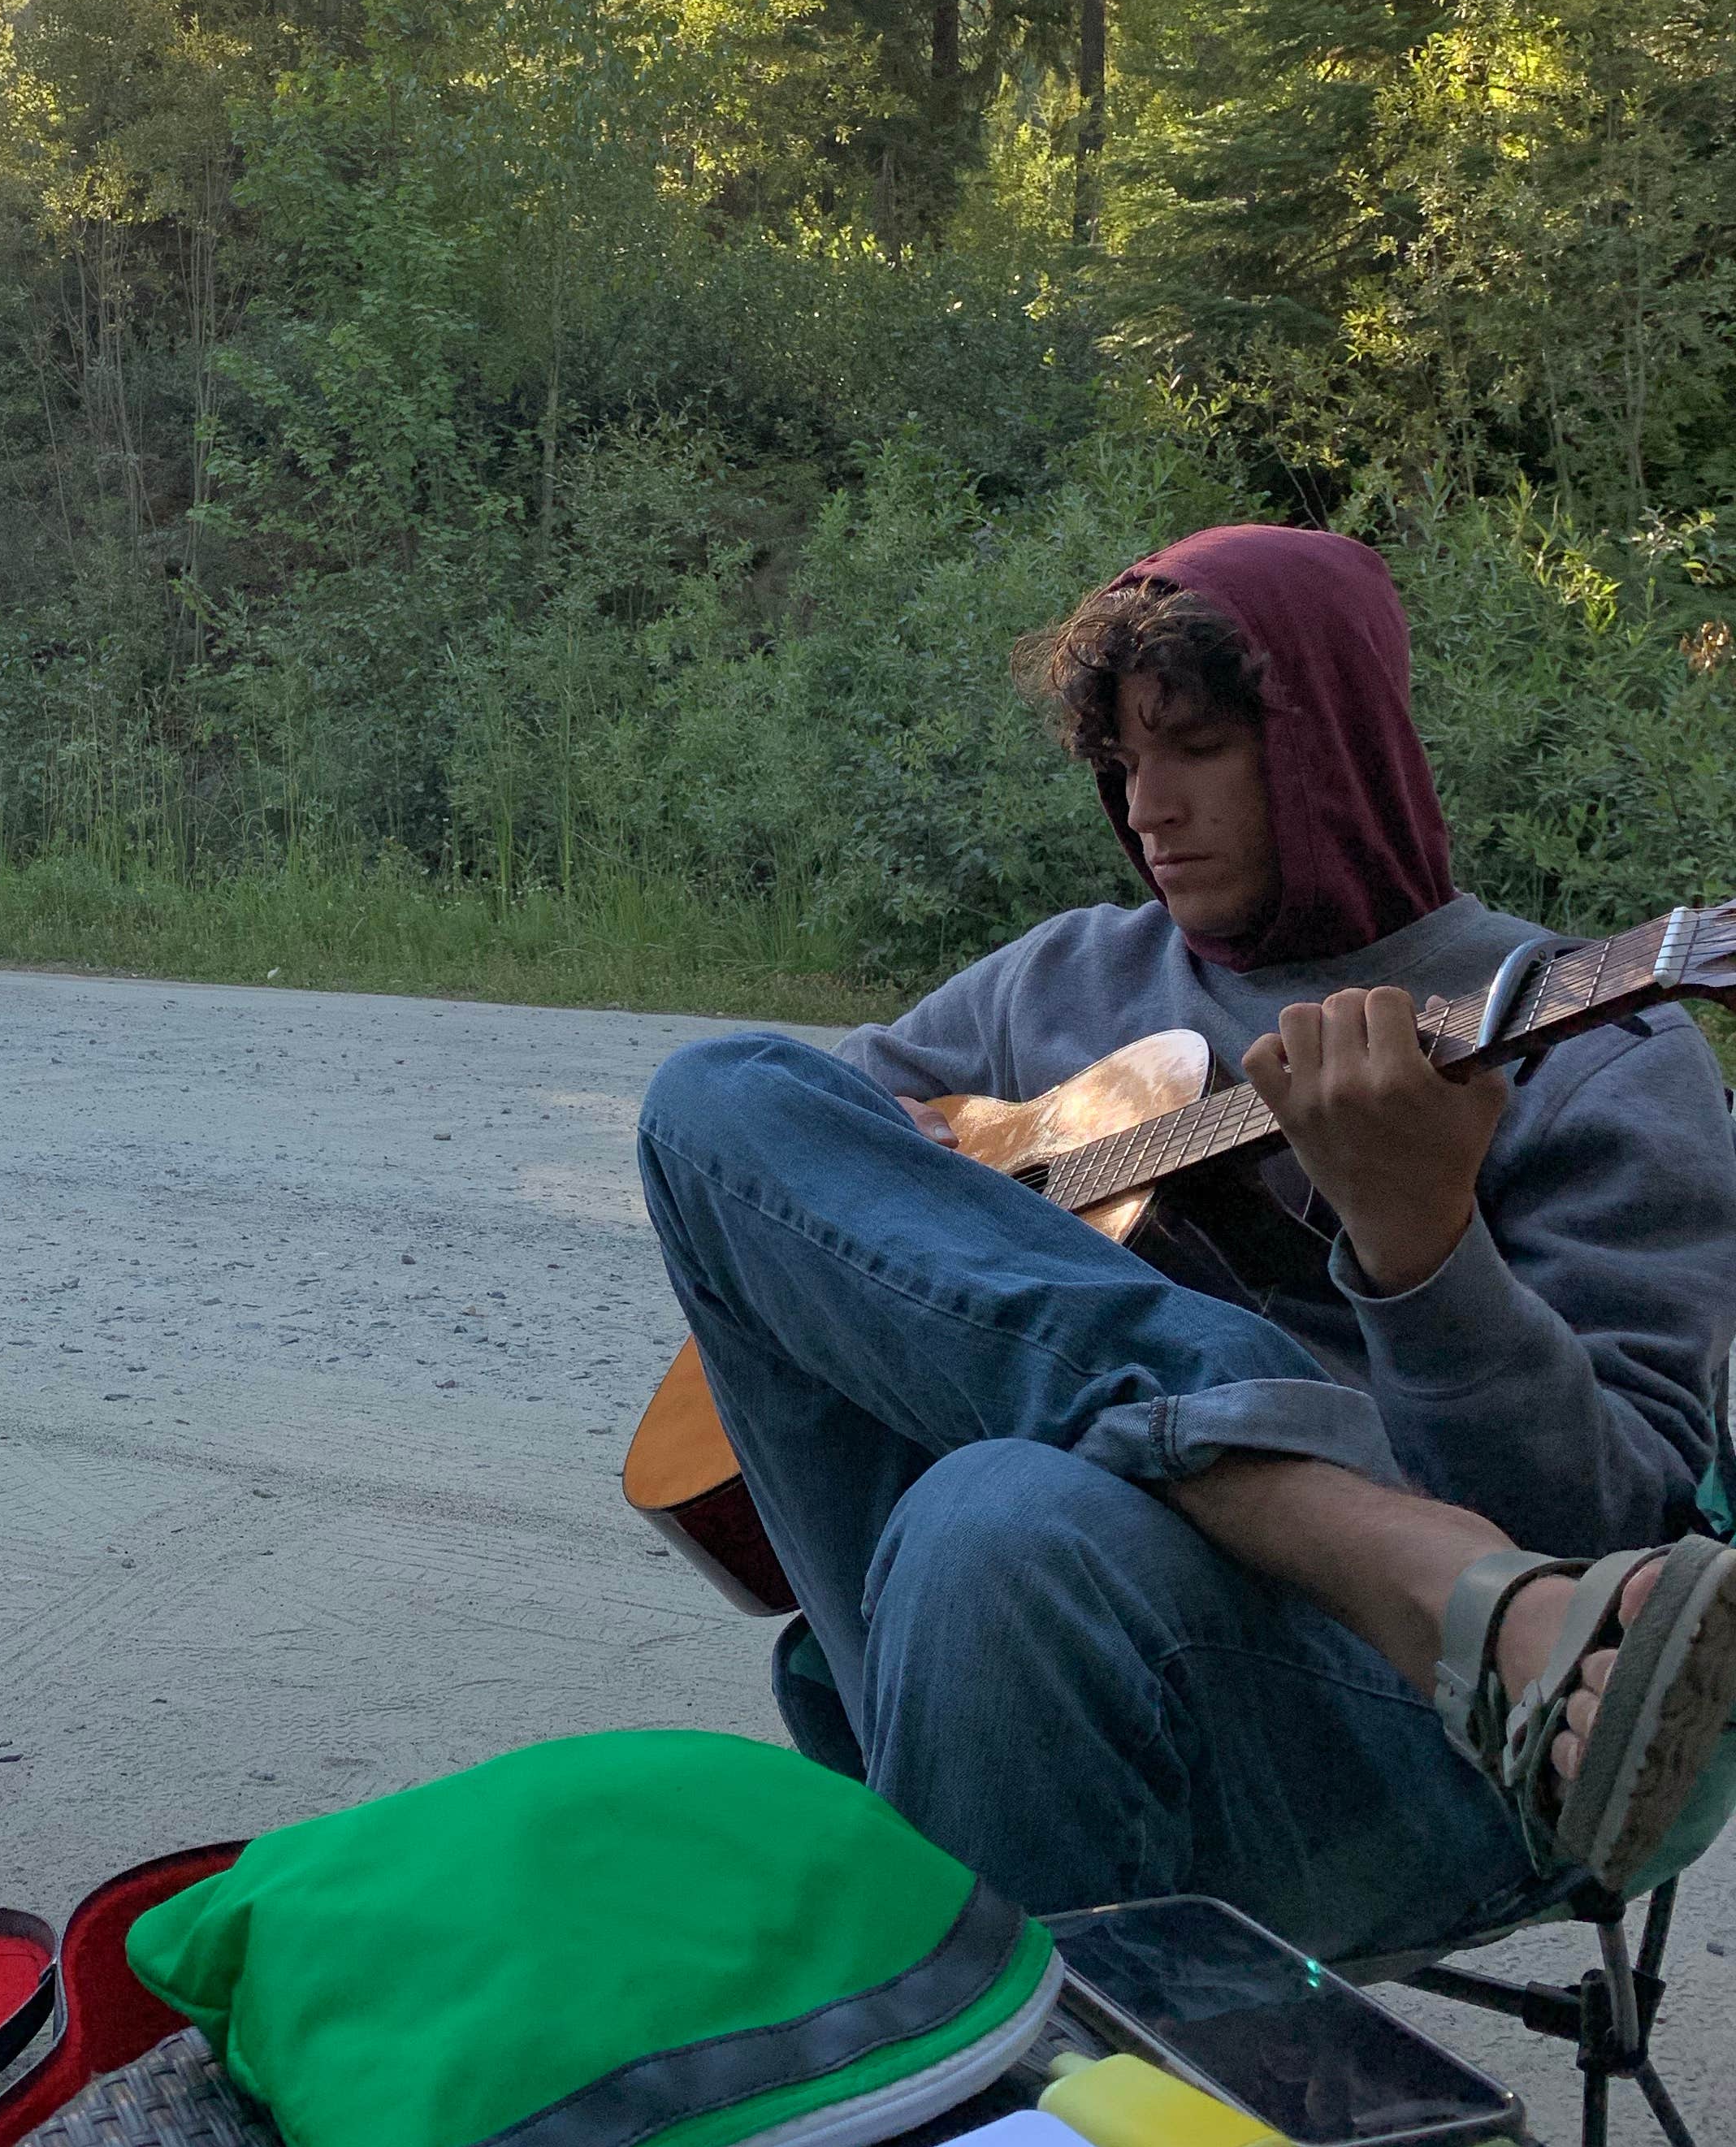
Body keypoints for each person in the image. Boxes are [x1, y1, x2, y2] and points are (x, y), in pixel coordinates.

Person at [637, 524, 1736, 1959]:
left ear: (1331, 745)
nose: (1149, 806)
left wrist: (1423, 1251)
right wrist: (965, 1193)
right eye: (1122, 763)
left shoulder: (1600, 1055)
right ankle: (1405, 1559)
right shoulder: (1059, 975)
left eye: (1199, 747)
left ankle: (998, 2116)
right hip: (964, 1655)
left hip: (1407, 1741)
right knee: (709, 1095)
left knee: (1000, 1516)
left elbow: (1619, 1552)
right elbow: (805, 1179)